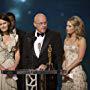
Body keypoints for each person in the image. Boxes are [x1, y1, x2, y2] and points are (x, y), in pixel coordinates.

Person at [22, 12, 64, 90]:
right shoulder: (28, 36)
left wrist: (47, 66)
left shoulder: (55, 35)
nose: (44, 25)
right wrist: (30, 70)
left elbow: (59, 57)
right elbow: (25, 57)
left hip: (49, 80)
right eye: (41, 23)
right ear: (35, 24)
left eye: (45, 23)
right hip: (31, 80)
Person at [61, 16, 87, 90]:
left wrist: (68, 68)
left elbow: (80, 58)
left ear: (75, 27)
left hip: (76, 72)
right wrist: (64, 67)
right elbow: (64, 56)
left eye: (69, 26)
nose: (66, 28)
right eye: (66, 25)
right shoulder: (66, 39)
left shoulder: (81, 40)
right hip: (66, 73)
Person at [6, 12, 26, 90]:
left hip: (19, 68)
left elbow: (24, 52)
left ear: (15, 21)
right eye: (8, 21)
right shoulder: (1, 35)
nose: (10, 23)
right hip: (4, 68)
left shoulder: (23, 34)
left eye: (12, 20)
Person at [0, 13, 20, 90]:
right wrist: (1, 67)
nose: (3, 25)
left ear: (8, 23)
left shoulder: (15, 37)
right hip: (0, 68)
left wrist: (14, 66)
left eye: (4, 23)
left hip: (11, 69)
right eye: (0, 24)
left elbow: (17, 55)